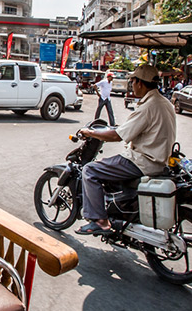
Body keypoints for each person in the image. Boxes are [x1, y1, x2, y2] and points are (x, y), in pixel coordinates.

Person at [75, 64, 176, 235]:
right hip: (160, 160)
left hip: (143, 161)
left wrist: (91, 132)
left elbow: (117, 136)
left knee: (90, 170)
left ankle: (100, 221)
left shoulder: (148, 106)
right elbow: (134, 128)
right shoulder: (164, 103)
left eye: (133, 81)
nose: (132, 85)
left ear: (140, 83)